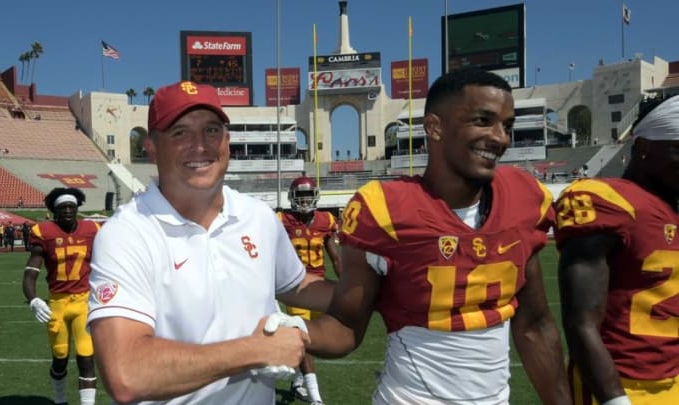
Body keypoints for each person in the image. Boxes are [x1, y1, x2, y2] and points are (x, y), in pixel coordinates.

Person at [304, 68, 570, 404]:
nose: (501, 137)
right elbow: (344, 325)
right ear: (435, 126)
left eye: (507, 125)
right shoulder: (384, 209)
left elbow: (534, 324)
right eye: (483, 120)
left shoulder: (524, 197)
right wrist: (286, 334)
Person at [87, 81, 334, 404]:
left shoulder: (258, 217)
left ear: (227, 141)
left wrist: (375, 288)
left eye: (211, 130)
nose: (200, 145)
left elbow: (296, 285)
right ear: (150, 147)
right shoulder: (126, 233)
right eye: (180, 133)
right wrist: (254, 350)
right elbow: (126, 374)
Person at [555, 94, 679, 405]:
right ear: (642, 148)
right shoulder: (608, 200)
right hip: (621, 384)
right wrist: (615, 401)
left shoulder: (671, 210)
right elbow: (580, 322)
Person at [22, 187, 101, 405]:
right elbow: (30, 274)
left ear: (77, 209)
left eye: (71, 207)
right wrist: (33, 299)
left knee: (87, 357)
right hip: (57, 303)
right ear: (54, 211)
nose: (67, 211)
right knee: (60, 358)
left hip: (84, 301)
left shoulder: (92, 229)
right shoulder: (44, 233)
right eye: (62, 207)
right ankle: (60, 401)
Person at [278, 176, 342, 405]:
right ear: (292, 197)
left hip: (320, 288)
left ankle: (296, 383)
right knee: (303, 338)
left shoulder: (326, 220)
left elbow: (335, 257)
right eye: (301, 195)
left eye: (308, 195)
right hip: (295, 287)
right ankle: (316, 399)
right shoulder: (281, 220)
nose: (305, 200)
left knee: (309, 340)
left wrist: (345, 286)